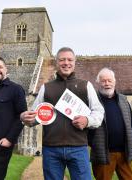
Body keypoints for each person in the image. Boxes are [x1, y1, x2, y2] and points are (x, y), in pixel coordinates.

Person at [20, 47, 104, 180]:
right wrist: (25, 118)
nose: (66, 63)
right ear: (56, 63)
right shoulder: (45, 87)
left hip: (78, 148)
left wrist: (87, 120)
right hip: (51, 149)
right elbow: (34, 116)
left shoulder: (86, 85)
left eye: (70, 60)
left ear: (74, 62)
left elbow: (99, 113)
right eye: (62, 60)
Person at [88, 67, 132, 180]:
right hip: (103, 154)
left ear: (114, 82)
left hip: (124, 153)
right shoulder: (92, 101)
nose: (107, 83)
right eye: (103, 81)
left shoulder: (123, 100)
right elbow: (87, 125)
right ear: (98, 83)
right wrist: (93, 143)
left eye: (109, 80)